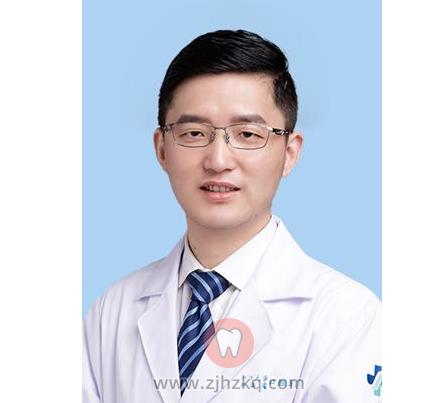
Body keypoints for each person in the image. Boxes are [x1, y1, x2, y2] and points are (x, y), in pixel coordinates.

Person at [83, 30, 381, 403]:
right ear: (161, 149)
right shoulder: (112, 311)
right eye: (194, 133)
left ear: (289, 153)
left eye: (248, 134)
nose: (218, 160)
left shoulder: (346, 317)